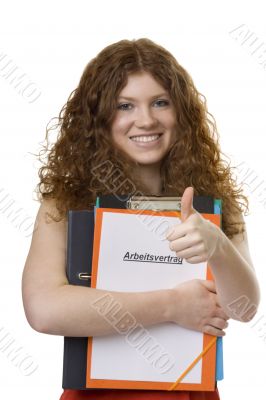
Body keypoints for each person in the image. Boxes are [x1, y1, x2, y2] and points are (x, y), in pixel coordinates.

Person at [22, 38, 260, 400]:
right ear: (99, 118)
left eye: (160, 102)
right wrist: (171, 306)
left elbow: (243, 308)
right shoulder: (66, 202)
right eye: (124, 106)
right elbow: (44, 310)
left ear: (182, 112)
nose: (146, 119)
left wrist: (217, 246)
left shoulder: (216, 201)